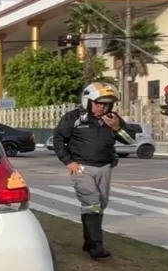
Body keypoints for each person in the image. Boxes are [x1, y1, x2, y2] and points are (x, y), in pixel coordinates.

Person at [52, 82, 134, 260]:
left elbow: (129, 140)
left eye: (106, 104)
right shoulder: (73, 117)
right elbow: (58, 139)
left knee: (100, 205)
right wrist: (69, 161)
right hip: (82, 168)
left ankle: (88, 241)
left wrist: (116, 128)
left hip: (105, 167)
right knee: (92, 204)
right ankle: (97, 247)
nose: (102, 108)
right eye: (98, 104)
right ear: (87, 101)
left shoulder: (113, 118)